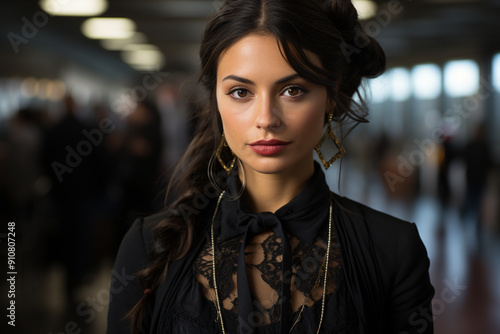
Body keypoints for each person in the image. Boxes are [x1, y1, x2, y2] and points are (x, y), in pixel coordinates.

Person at [107, 0, 434, 333]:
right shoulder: (148, 245)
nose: (266, 119)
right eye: (240, 92)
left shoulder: (391, 249)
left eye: (293, 90)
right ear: (216, 101)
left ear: (331, 97)